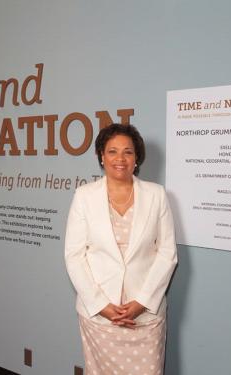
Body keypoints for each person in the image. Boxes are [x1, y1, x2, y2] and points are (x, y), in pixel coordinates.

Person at [65, 123, 178, 374]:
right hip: (99, 315)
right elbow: (74, 256)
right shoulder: (84, 196)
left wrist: (143, 302)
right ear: (101, 156)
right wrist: (101, 306)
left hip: (145, 316)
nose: (120, 158)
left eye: (128, 152)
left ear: (137, 158)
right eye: (112, 151)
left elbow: (168, 253)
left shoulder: (156, 195)